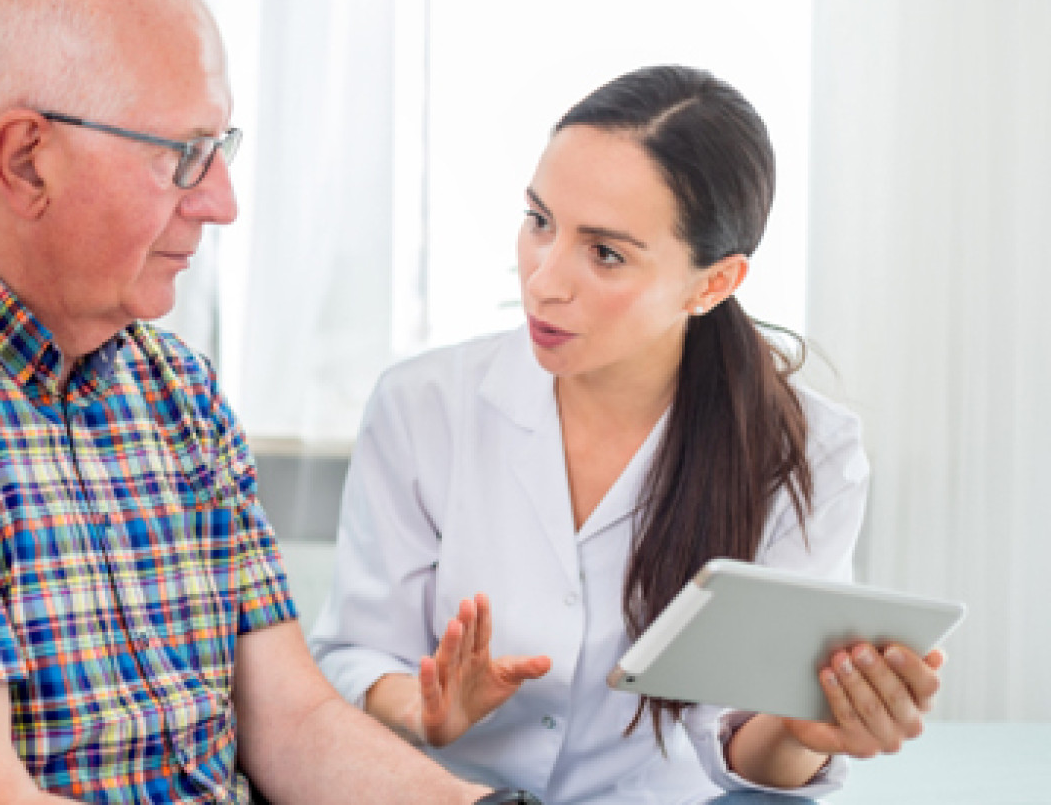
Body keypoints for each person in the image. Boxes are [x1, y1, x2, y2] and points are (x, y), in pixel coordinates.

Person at [0, 0, 511, 802]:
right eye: (185, 155)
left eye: (220, 149)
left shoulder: (177, 390)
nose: (223, 202)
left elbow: (294, 723)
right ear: (28, 159)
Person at [308, 65, 945, 804]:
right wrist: (420, 708)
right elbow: (355, 649)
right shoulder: (422, 406)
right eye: (539, 221)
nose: (545, 280)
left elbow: (741, 744)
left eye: (605, 253)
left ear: (714, 283)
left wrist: (808, 729)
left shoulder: (808, 453)